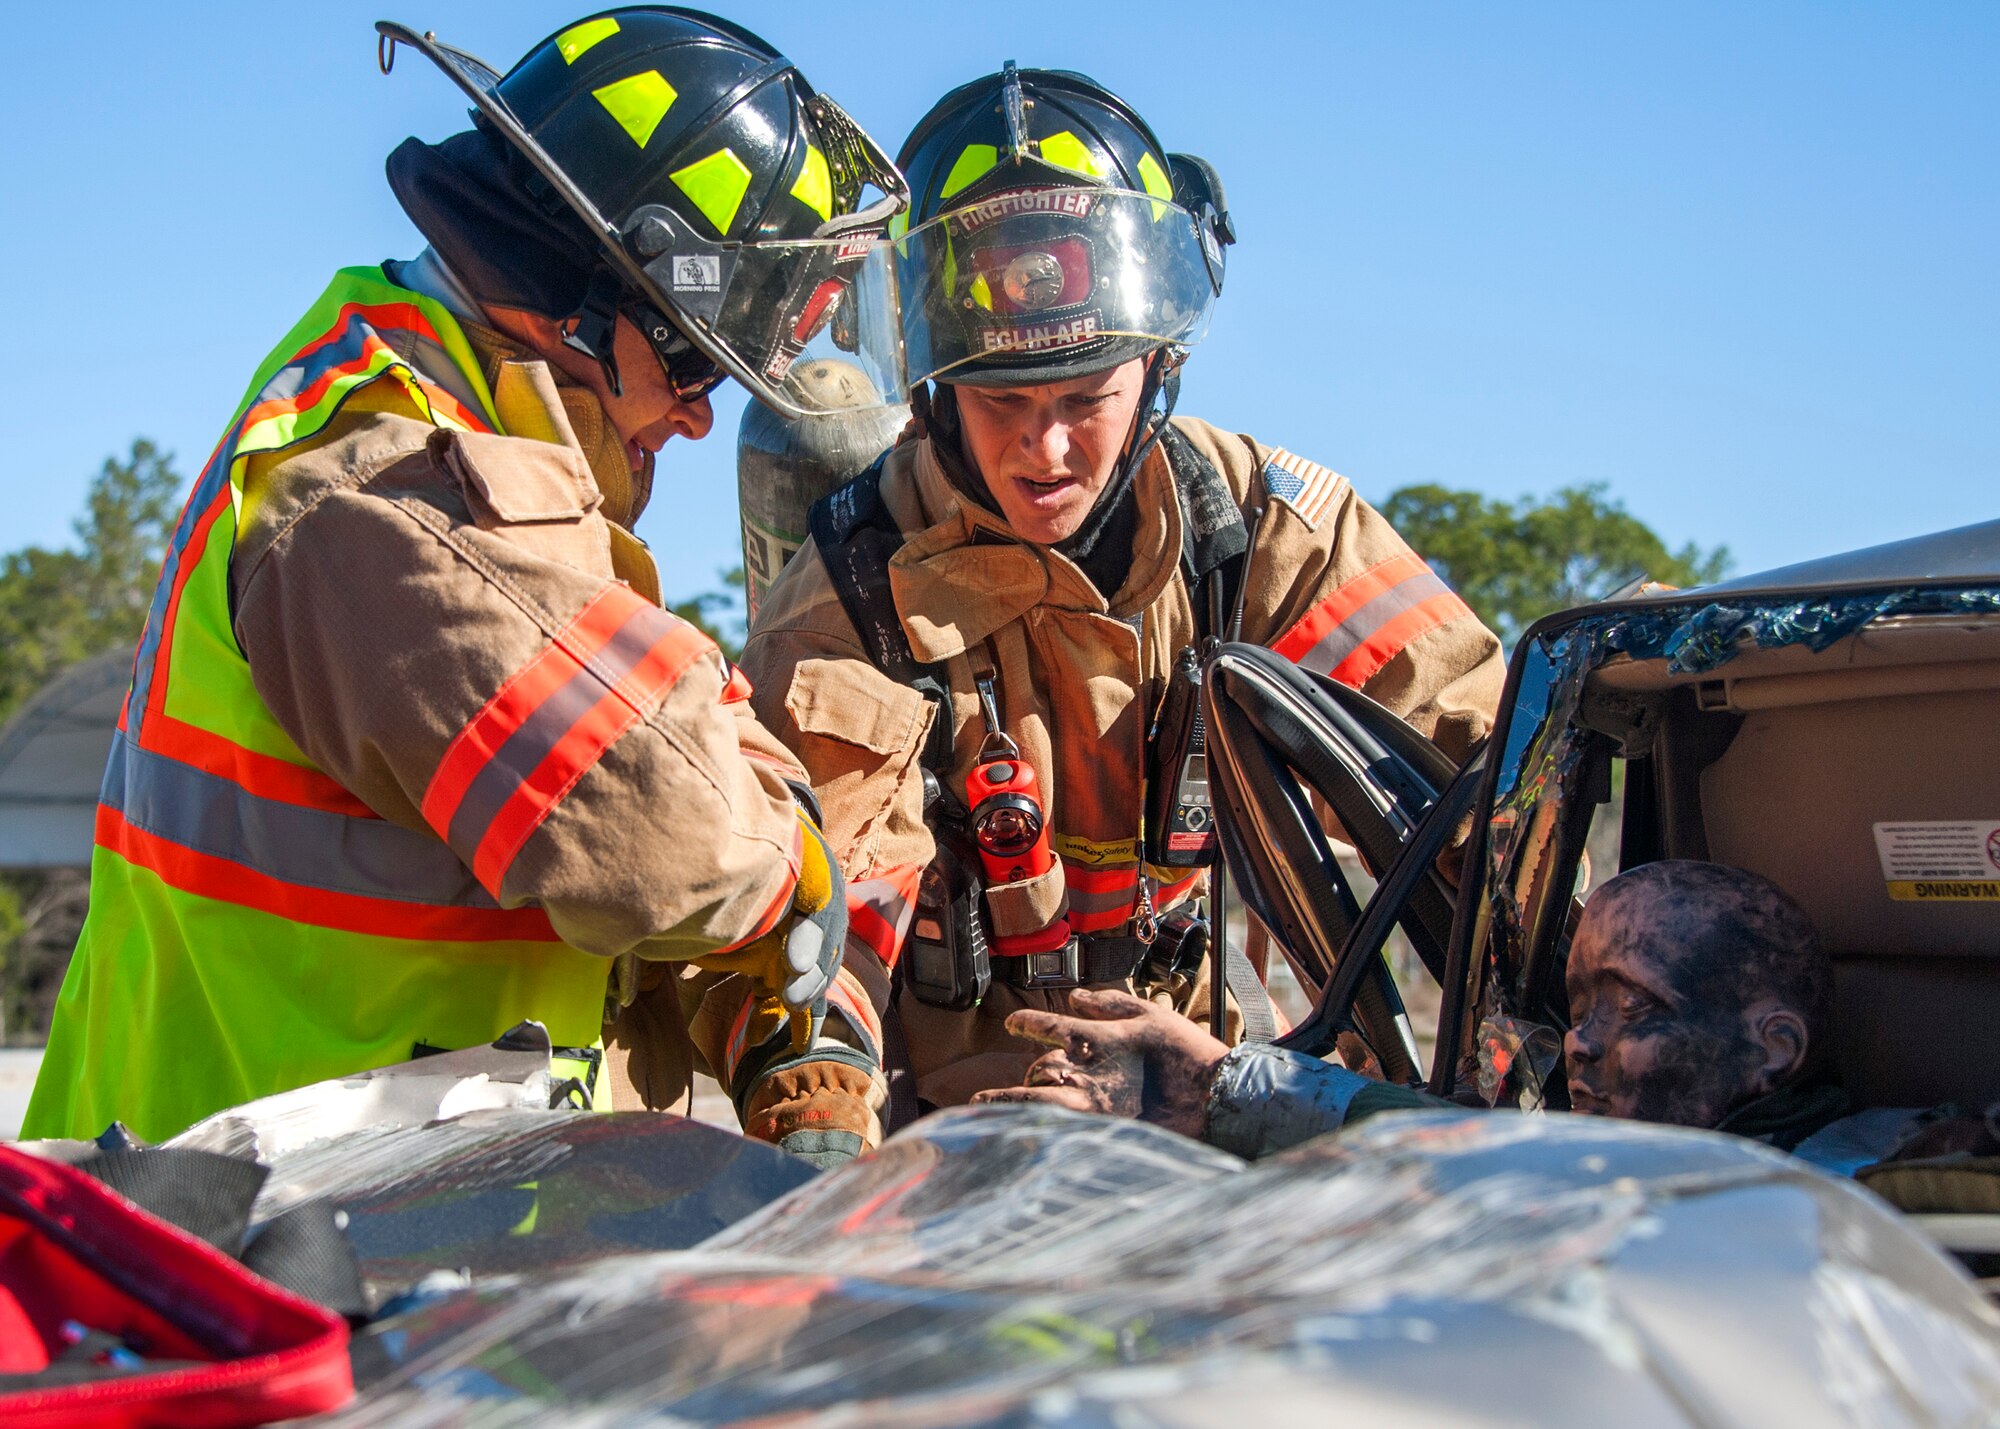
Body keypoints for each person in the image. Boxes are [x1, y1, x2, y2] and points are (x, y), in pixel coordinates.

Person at [24, 10, 911, 1167]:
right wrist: (797, 860)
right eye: (692, 356)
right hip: (229, 1240)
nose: (698, 415)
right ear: (582, 293)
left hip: (339, 1212)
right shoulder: (388, 488)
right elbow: (674, 831)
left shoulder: (450, 444)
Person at [739, 65, 1506, 1110]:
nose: (1043, 447)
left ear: (1156, 369)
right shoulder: (848, 596)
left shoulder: (1258, 529)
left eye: (1086, 395)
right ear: (928, 391)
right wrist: (821, 1100)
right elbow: (824, 932)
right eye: (999, 399)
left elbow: (1479, 776)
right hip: (957, 1137)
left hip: (1201, 1101)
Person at [976, 860, 1880, 1168]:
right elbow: (1470, 1147)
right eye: (1580, 1006)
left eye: (1634, 1005)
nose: (1583, 1042)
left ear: (1775, 1050)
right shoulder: (1602, 1165)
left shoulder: (1887, 1198)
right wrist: (1210, 1086)